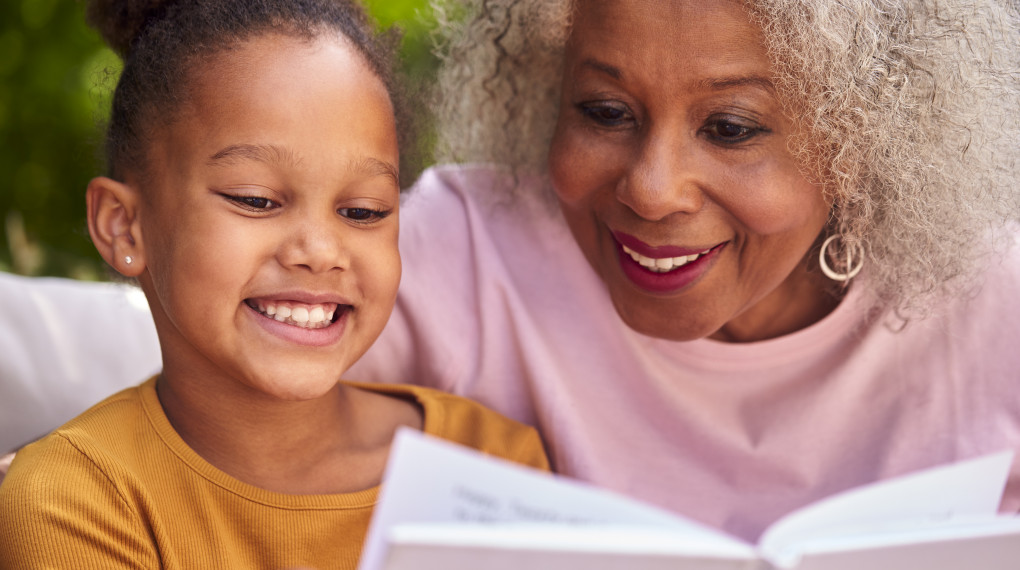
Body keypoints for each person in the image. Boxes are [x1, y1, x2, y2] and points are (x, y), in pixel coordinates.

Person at [2, 0, 1019, 544]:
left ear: (866, 140)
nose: (654, 188)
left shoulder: (997, 310)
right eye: (605, 112)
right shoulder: (468, 251)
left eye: (734, 127)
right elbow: (170, 366)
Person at [0, 0, 548, 568]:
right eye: (255, 200)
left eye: (362, 211)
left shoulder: (490, 465)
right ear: (124, 225)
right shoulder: (74, 502)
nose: (320, 251)